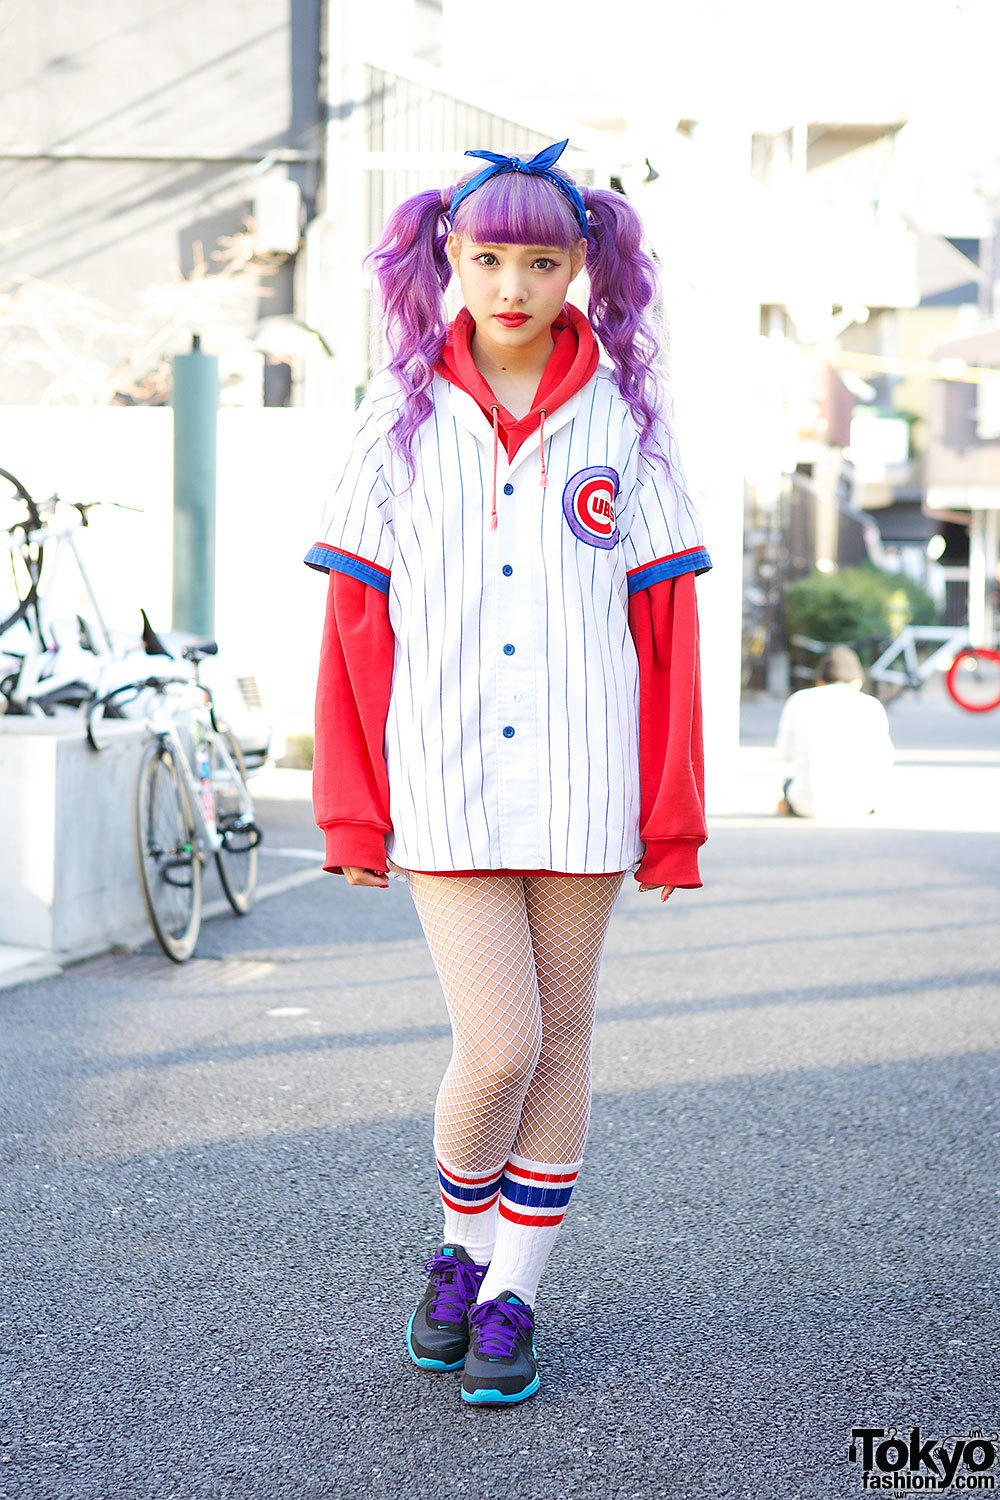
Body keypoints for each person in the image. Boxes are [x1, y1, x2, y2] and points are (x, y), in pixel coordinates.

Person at [304, 139, 711, 1407]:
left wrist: (674, 817)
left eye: (543, 260)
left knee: (563, 1041)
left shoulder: (629, 417)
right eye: (489, 258)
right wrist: (353, 810)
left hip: (588, 784)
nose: (515, 284)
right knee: (498, 1046)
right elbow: (354, 625)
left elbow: (666, 632)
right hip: (444, 779)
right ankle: (459, 1251)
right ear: (450, 260)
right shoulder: (398, 417)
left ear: (583, 266)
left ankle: (514, 1296)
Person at [776, 645, 894, 821]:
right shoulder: (871, 705)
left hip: (808, 803)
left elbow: (784, 753)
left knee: (789, 783)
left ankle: (788, 802)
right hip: (862, 803)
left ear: (820, 680)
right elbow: (886, 757)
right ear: (858, 681)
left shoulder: (799, 700)